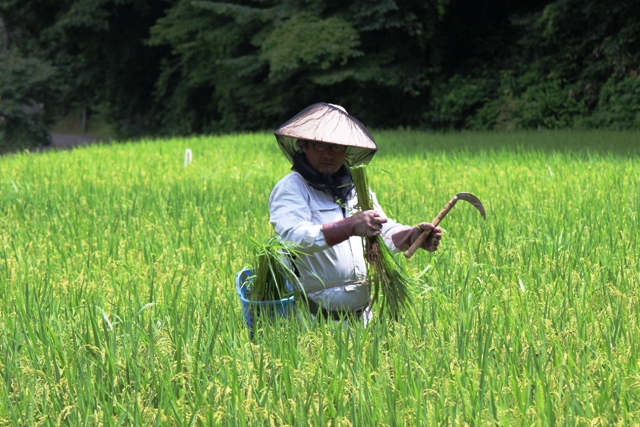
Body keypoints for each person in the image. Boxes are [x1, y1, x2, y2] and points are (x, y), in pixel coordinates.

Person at [269, 102, 442, 321]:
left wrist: (411, 236)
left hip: (362, 319)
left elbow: (382, 230)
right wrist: (349, 226)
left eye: (337, 146)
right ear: (304, 145)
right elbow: (294, 238)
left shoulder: (355, 187)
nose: (329, 154)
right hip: (313, 319)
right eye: (321, 145)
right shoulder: (292, 188)